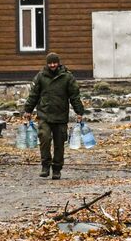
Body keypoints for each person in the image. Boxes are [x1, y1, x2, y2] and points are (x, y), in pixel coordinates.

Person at [23, 52, 85, 180]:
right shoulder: (40, 77)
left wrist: (79, 112)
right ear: (47, 64)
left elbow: (74, 96)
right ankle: (45, 166)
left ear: (58, 63)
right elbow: (33, 95)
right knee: (44, 138)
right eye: (50, 63)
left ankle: (57, 169)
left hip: (60, 116)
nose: (52, 65)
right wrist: (28, 110)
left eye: (54, 63)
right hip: (44, 115)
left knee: (59, 143)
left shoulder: (67, 77)